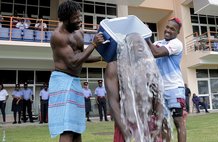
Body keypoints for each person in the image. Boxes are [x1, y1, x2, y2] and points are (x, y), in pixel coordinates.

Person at [48, 0, 104, 142]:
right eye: (75, 18)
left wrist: (102, 58)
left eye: (80, 16)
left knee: (77, 129)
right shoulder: (58, 36)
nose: (79, 20)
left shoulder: (79, 32)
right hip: (62, 81)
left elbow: (81, 56)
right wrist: (93, 44)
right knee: (67, 129)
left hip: (74, 81)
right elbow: (73, 62)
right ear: (65, 19)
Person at [105, 33, 164, 142]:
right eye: (136, 43)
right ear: (127, 46)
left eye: (141, 42)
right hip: (127, 124)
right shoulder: (114, 67)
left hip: (149, 123)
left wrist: (158, 125)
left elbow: (159, 98)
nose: (141, 45)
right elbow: (113, 101)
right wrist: (125, 131)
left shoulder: (149, 67)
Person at [147, 17, 186, 142]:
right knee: (164, 124)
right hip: (160, 90)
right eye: (167, 27)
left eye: (172, 29)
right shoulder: (158, 42)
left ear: (177, 32)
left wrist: (145, 37)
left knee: (178, 122)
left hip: (174, 88)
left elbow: (156, 53)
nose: (168, 30)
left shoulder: (176, 44)